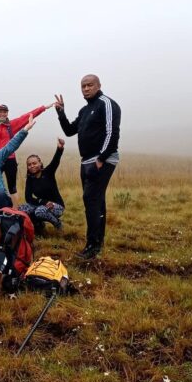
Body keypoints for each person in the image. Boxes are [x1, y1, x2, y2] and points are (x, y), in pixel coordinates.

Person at [55, 74, 121, 259]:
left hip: (102, 160)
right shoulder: (85, 110)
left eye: (89, 85)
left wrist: (101, 159)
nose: (86, 88)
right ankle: (97, 243)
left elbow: (112, 133)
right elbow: (69, 131)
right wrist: (61, 112)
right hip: (86, 161)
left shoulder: (106, 104)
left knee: (91, 199)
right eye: (83, 86)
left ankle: (92, 247)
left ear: (99, 85)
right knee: (96, 201)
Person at [0, 101, 54, 208]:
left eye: (4, 112)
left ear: (7, 113)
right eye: (0, 111)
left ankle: (15, 210)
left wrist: (43, 108)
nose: (2, 114)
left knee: (12, 187)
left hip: (10, 159)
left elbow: (27, 116)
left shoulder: (11, 125)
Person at [19, 138, 65, 233]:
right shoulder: (30, 179)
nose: (32, 166)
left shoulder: (48, 172)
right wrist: (43, 202)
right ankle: (38, 225)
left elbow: (55, 161)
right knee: (22, 209)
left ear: (40, 163)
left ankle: (58, 223)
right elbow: (28, 198)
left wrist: (59, 148)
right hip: (42, 204)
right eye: (29, 164)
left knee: (40, 211)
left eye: (34, 163)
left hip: (56, 206)